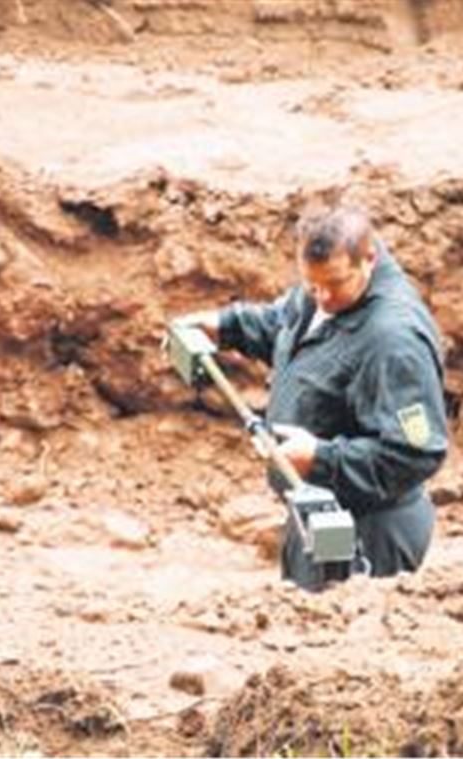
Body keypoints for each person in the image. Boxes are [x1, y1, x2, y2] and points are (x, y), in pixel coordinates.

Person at [173, 206, 448, 590]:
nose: (322, 298)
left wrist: (320, 457)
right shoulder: (324, 292)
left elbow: (416, 453)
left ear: (369, 258)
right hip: (315, 516)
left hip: (368, 536)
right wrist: (224, 326)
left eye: (334, 284)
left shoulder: (394, 342)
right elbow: (283, 326)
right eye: (311, 285)